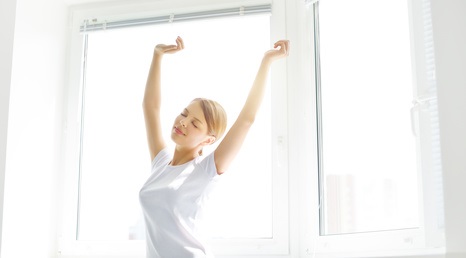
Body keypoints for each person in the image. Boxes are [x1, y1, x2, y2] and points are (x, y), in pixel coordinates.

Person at [139, 36, 290, 258]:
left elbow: (247, 119)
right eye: (184, 114)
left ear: (208, 140)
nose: (183, 122)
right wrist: (157, 56)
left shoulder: (206, 170)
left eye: (194, 123)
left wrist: (266, 62)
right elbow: (150, 107)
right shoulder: (160, 163)